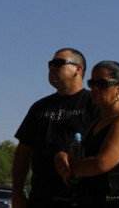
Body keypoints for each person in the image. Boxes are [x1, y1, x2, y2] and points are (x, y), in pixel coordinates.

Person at [12, 48, 98, 208]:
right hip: (40, 198)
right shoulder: (39, 107)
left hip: (80, 198)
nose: (52, 68)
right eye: (50, 64)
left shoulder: (93, 104)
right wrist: (16, 192)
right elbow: (22, 153)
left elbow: (105, 151)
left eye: (58, 63)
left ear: (78, 69)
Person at [54, 60, 119, 207]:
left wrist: (69, 167)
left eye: (102, 84)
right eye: (91, 83)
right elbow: (83, 157)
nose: (95, 88)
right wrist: (62, 156)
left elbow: (101, 163)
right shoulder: (97, 123)